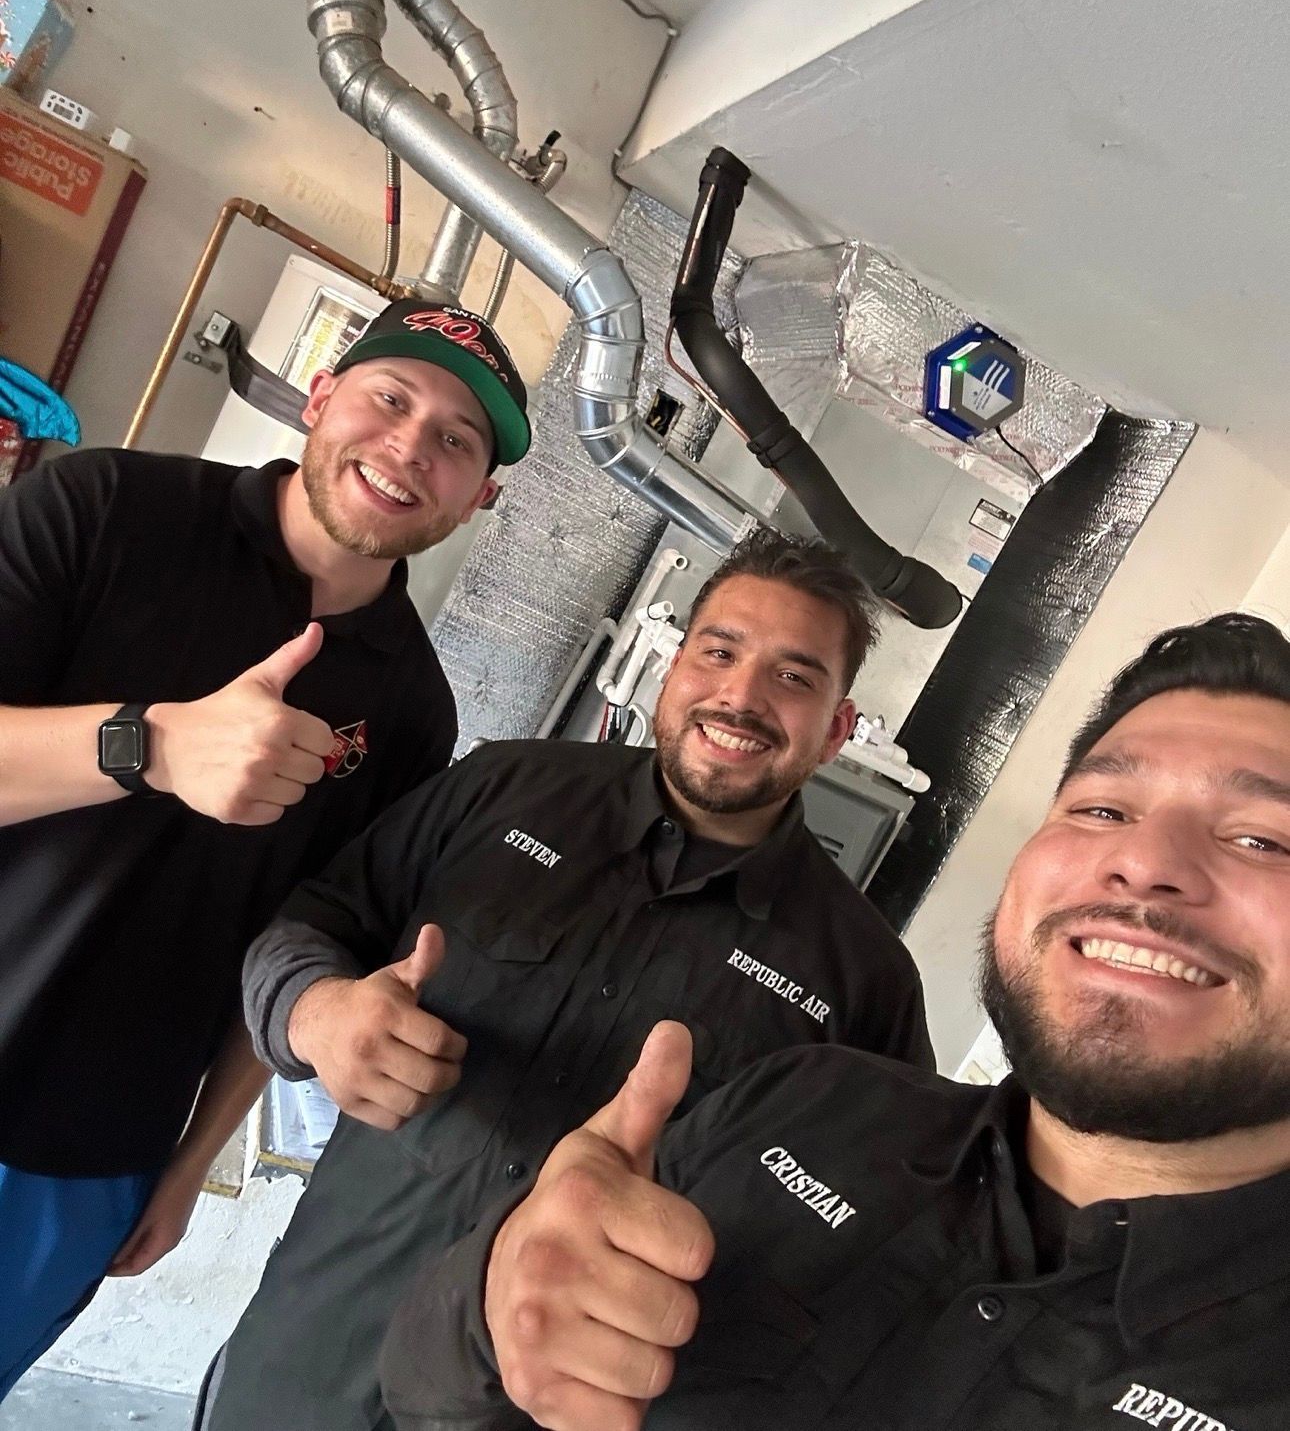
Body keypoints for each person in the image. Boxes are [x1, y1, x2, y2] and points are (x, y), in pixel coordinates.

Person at [383, 611, 1290, 1431]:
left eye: (1263, 839)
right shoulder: (810, 1093)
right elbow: (422, 1383)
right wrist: (492, 1288)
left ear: (836, 725)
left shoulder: (860, 968)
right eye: (1101, 807)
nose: (1142, 858)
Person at [200, 529, 933, 1431]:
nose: (740, 696)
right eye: (719, 651)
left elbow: (869, 1250)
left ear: (836, 731)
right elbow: (310, 926)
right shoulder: (503, 786)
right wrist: (318, 1015)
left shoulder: (865, 983)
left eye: (795, 675)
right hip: (305, 1359)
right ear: (672, 670)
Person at [0, 297, 531, 1401]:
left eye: (454, 440)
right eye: (393, 397)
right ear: (324, 394)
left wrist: (192, 1159)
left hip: (91, 1151)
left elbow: (309, 942)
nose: (409, 447)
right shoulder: (103, 505)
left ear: (479, 496)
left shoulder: (414, 709)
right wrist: (147, 742)